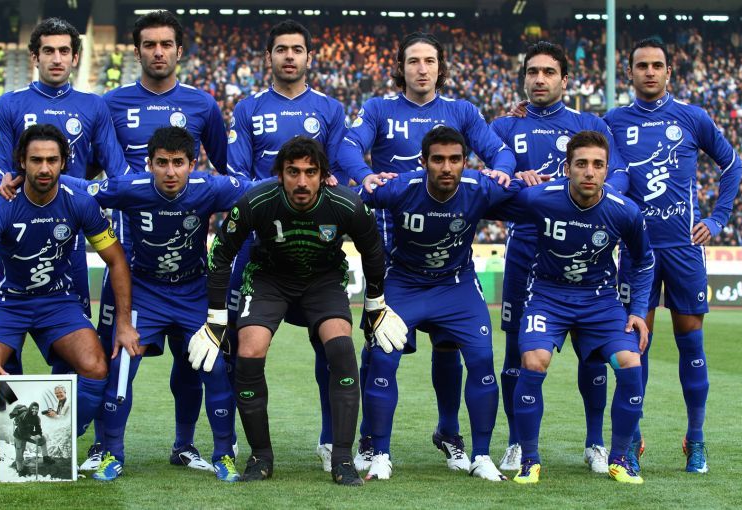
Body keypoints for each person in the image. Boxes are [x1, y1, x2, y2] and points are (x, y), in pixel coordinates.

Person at [336, 31, 516, 471]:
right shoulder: (379, 108)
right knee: (379, 347)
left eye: (429, 61)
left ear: (440, 67)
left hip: (446, 248)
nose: (421, 68)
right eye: (413, 61)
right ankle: (371, 440)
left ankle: (450, 432)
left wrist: (501, 172)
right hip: (388, 245)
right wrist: (365, 175)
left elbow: (500, 152)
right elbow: (347, 146)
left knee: (450, 345)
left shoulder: (462, 111)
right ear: (401, 67)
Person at [189, 136, 407, 486]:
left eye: (310, 172)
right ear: (280, 175)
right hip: (269, 279)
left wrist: (375, 305)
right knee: (249, 351)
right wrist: (216, 319)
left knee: (341, 349)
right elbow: (220, 254)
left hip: (323, 281)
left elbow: (373, 251)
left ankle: (342, 459)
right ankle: (260, 456)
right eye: (293, 172)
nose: (302, 181)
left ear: (324, 176)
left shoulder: (346, 204)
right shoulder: (256, 200)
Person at [82, 10, 230, 472]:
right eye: (150, 44)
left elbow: (229, 172)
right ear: (137, 51)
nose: (158, 52)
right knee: (116, 362)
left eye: (166, 44)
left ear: (179, 51)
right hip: (130, 268)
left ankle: (186, 445)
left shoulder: (203, 105)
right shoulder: (110, 104)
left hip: (188, 270)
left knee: (194, 365)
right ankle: (105, 447)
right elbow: (88, 173)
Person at [63, 127, 247, 482]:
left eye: (178, 163)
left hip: (193, 292)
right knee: (121, 367)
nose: (170, 171)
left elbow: (259, 190)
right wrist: (27, 175)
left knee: (214, 369)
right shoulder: (130, 188)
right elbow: (82, 187)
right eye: (162, 163)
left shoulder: (209, 188)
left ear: (192, 164)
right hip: (144, 292)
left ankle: (222, 455)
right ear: (149, 164)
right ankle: (112, 454)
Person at [604, 38, 742, 474]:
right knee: (635, 344)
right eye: (641, 65)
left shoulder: (692, 117)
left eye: (656, 65)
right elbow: (572, 145)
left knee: (691, 342)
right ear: (629, 72)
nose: (649, 71)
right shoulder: (612, 121)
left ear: (669, 71)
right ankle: (632, 439)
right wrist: (521, 113)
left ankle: (695, 439)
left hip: (684, 249)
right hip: (636, 250)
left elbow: (732, 164)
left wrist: (718, 218)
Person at [356, 126, 524, 481]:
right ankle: (379, 451)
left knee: (481, 359)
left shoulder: (480, 187)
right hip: (404, 282)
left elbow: (531, 195)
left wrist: (526, 178)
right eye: (438, 160)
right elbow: (352, 200)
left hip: (456, 285)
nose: (446, 167)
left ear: (466, 162)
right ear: (423, 162)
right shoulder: (401, 187)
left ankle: (481, 456)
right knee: (382, 358)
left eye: (454, 159)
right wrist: (352, 182)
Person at [491, 41, 629, 473]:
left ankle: (595, 443)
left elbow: (619, 176)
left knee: (594, 353)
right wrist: (517, 178)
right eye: (532, 72)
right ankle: (517, 442)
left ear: (565, 80)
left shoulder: (589, 124)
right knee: (517, 349)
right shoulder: (504, 125)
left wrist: (587, 205)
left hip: (584, 250)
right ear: (523, 78)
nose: (539, 79)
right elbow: (490, 185)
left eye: (549, 72)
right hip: (526, 250)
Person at [224, 19, 348, 472]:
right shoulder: (248, 108)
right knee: (238, 346)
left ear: (309, 57)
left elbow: (338, 176)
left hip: (316, 247)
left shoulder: (330, 109)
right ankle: (230, 440)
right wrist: (273, 198)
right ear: (269, 56)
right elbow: (237, 177)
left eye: (297, 49)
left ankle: (330, 440)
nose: (289, 56)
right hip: (258, 247)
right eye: (281, 49)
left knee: (331, 348)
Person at [497, 130, 654, 484]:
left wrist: (637, 310)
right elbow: (490, 201)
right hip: (548, 295)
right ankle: (529, 460)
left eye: (598, 165)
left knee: (630, 362)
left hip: (601, 300)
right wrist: (514, 179)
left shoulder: (624, 211)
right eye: (581, 164)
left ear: (607, 170)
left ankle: (619, 460)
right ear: (567, 168)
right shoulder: (540, 198)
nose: (589, 172)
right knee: (533, 360)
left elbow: (644, 261)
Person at [0, 124, 137, 444]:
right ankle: (8, 443)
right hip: (7, 301)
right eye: (36, 160)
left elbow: (116, 260)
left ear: (63, 162)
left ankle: (60, 441)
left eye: (52, 160)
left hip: (57, 301)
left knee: (95, 366)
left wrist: (125, 323)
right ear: (22, 162)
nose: (44, 168)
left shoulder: (80, 202)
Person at [0, 17, 129, 321]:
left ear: (75, 57)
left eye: (64, 51)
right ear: (35, 56)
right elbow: (0, 177)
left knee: (76, 331)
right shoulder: (9, 104)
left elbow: (118, 174)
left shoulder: (94, 106)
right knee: (4, 329)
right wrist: (3, 183)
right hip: (17, 230)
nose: (57, 59)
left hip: (70, 231)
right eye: (48, 51)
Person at [12, 402, 53, 475]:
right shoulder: (23, 416)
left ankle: (45, 457)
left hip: (29, 433)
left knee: (42, 440)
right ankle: (20, 470)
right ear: (30, 408)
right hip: (19, 436)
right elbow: (21, 431)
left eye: (36, 409)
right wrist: (31, 436)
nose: (34, 410)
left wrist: (39, 435)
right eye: (33, 408)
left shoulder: (37, 418)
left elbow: (38, 428)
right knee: (19, 452)